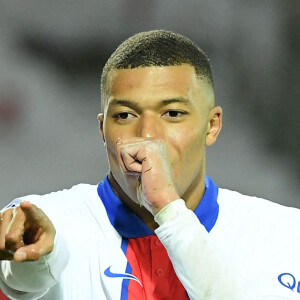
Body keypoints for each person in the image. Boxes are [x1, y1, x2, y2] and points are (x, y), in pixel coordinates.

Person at [0, 30, 299, 300]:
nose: (147, 136)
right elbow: (21, 277)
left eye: (172, 113)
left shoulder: (283, 234)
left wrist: (169, 210)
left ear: (211, 126)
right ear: (102, 130)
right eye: (125, 116)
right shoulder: (47, 220)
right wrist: (34, 262)